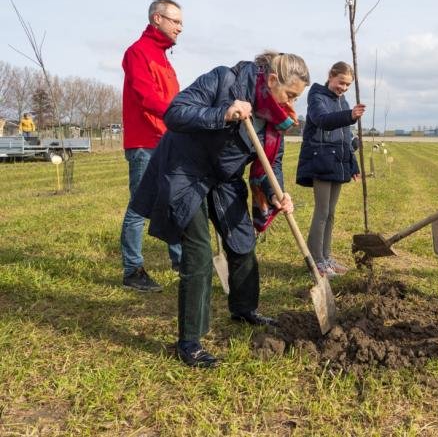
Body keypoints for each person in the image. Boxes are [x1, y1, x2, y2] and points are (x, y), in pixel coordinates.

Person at [131, 51, 310, 368]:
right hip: (185, 171)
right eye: (291, 95)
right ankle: (190, 341)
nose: (292, 105)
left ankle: (243, 309)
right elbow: (175, 113)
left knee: (242, 242)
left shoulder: (274, 119)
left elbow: (272, 164)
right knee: (198, 253)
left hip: (223, 178)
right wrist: (223, 113)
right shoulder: (224, 80)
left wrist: (276, 193)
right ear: (271, 81)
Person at [120, 0, 183, 292]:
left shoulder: (164, 57)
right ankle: (132, 270)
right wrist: (180, 113)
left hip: (166, 139)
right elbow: (147, 96)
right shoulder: (137, 53)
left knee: (171, 200)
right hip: (145, 141)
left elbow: (172, 98)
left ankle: (181, 260)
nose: (180, 28)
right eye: (175, 21)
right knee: (139, 206)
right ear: (157, 19)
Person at [296, 61, 365, 278]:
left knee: (331, 213)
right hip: (321, 160)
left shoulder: (342, 100)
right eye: (341, 82)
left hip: (337, 162)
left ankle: (326, 257)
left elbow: (345, 137)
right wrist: (350, 116)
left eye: (347, 85)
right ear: (331, 76)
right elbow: (323, 120)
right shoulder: (316, 96)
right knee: (322, 211)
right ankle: (315, 261)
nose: (343, 88)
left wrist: (352, 164)